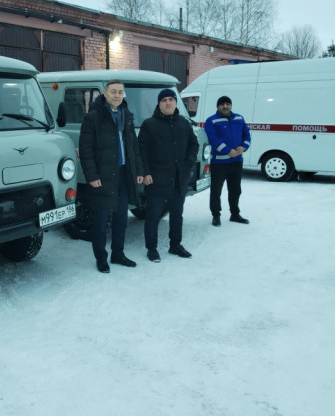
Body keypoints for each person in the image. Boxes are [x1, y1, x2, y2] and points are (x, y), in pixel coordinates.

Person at [79, 79, 144, 273]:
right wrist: (91, 175)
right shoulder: (93, 117)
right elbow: (86, 149)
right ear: (105, 93)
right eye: (113, 91)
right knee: (100, 220)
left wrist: (138, 170)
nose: (117, 95)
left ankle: (118, 254)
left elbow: (134, 147)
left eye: (120, 92)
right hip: (103, 175)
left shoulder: (127, 116)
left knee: (121, 217)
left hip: (124, 173)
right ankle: (101, 258)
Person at [138, 89, 199, 261]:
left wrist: (188, 163)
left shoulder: (183, 123)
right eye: (164, 100)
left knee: (177, 214)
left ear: (175, 102)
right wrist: (146, 172)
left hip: (179, 178)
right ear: (159, 103)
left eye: (171, 99)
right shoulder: (149, 125)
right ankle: (151, 248)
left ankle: (175, 245)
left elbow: (193, 145)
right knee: (153, 216)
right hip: (157, 178)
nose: (168, 103)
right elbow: (142, 151)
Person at [204, 95, 251, 227]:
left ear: (231, 105)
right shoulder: (211, 121)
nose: (225, 106)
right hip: (219, 164)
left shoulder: (239, 118)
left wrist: (244, 147)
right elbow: (212, 139)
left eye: (227, 104)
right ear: (218, 106)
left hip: (236, 162)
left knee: (236, 190)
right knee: (216, 191)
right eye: (222, 104)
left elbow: (246, 135)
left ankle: (235, 214)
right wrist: (228, 151)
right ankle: (216, 215)